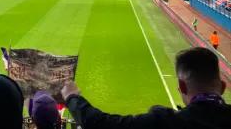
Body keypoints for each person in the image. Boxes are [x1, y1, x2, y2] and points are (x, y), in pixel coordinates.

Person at [61, 47, 231, 129]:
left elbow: (101, 124)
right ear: (222, 87)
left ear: (181, 86)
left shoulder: (165, 122)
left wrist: (72, 97)